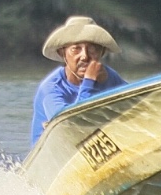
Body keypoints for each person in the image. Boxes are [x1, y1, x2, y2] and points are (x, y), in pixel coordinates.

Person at [30, 16, 127, 145]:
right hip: (55, 153)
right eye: (76, 49)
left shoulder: (109, 77)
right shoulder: (51, 88)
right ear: (62, 53)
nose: (84, 56)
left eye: (92, 49)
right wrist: (89, 82)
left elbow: (137, 103)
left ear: (102, 52)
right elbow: (70, 124)